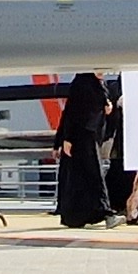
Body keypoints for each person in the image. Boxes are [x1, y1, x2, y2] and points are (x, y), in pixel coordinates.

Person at [53, 70, 117, 227]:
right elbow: (71, 112)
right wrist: (66, 138)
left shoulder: (98, 84)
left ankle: (78, 217)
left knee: (82, 175)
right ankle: (106, 213)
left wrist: (107, 107)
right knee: (94, 173)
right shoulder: (82, 84)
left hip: (91, 135)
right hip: (82, 135)